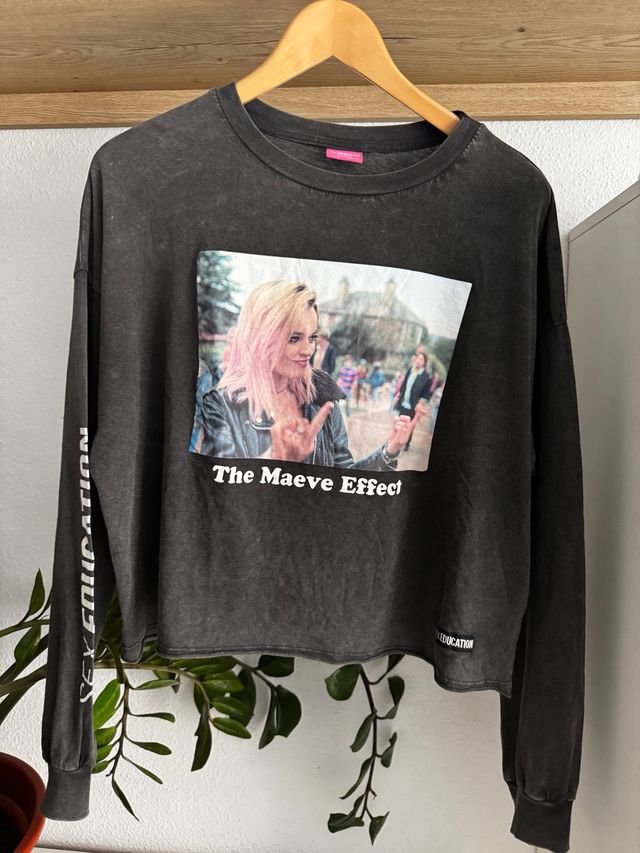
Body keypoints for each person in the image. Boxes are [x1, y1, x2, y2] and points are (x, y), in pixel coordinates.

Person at [199, 279, 417, 470]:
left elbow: (343, 478)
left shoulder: (322, 397)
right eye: (294, 338)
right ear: (260, 339)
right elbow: (219, 490)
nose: (308, 350)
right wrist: (275, 459)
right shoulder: (222, 406)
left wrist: (389, 451)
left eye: (312, 338)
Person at [394, 351, 432, 451]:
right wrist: (399, 395)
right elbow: (404, 384)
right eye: (418, 358)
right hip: (404, 402)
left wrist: (421, 402)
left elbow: (426, 393)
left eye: (422, 359)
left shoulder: (426, 376)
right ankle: (397, 441)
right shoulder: (410, 370)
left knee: (409, 425)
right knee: (400, 422)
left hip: (414, 405)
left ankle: (406, 443)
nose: (419, 361)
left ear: (424, 362)